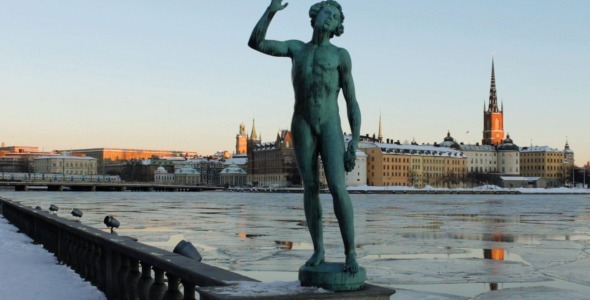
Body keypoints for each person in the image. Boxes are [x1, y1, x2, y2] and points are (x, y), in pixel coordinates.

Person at [248, 0, 361, 273]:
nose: (329, 16)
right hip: (301, 123)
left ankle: (351, 253)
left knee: (336, 186)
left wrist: (354, 142)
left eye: (334, 16)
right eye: (326, 11)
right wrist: (271, 10)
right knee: (310, 187)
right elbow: (256, 42)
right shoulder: (296, 49)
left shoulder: (340, 56)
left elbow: (352, 102)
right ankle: (318, 250)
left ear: (337, 26)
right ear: (315, 15)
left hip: (331, 124)